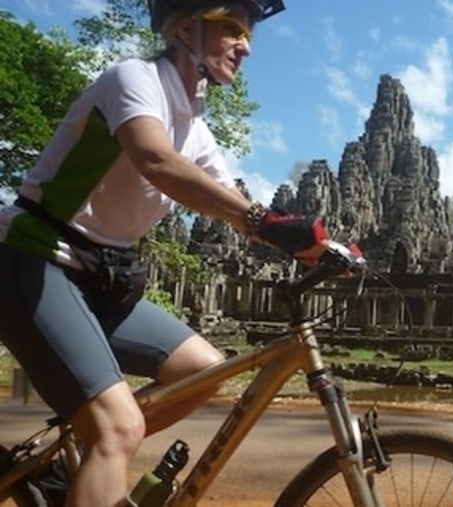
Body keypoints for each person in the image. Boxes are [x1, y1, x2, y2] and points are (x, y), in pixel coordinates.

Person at [0, 1, 327, 505]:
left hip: (102, 281)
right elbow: (157, 161)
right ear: (184, 27)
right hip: (36, 259)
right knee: (119, 430)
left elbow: (234, 203)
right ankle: (105, 442)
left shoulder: (194, 127)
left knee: (203, 371)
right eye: (234, 27)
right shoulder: (133, 80)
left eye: (250, 32)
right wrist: (261, 221)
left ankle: (85, 461)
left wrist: (313, 245)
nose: (247, 46)